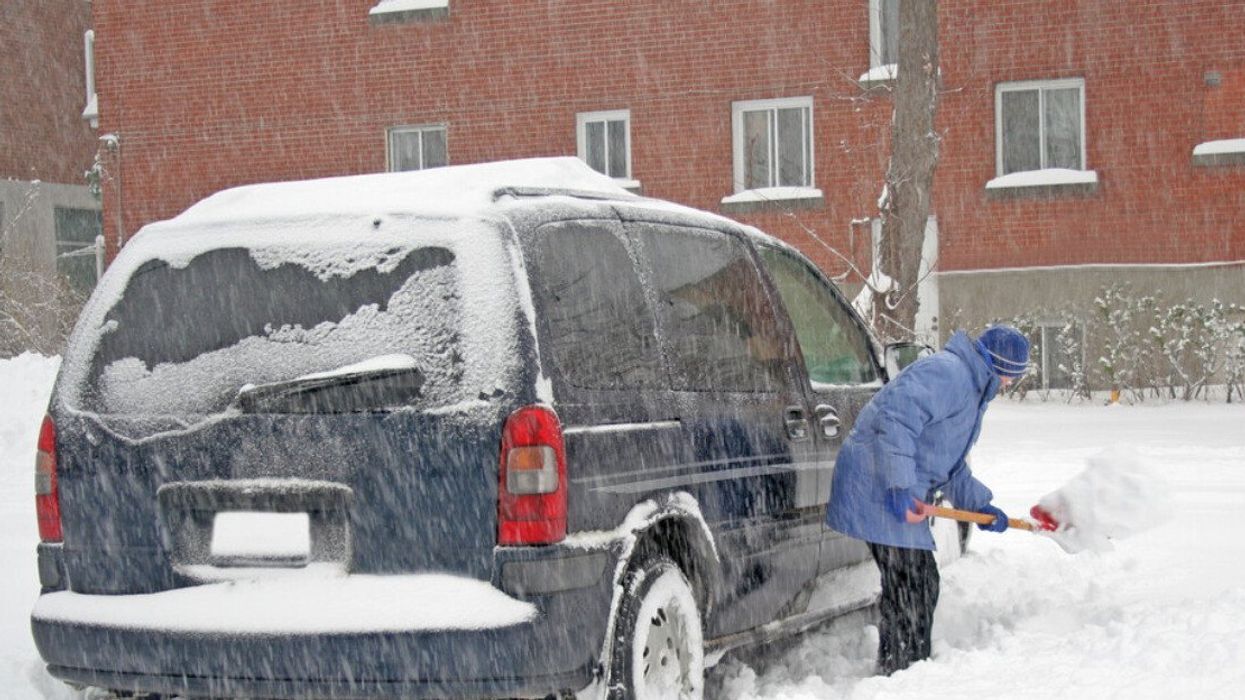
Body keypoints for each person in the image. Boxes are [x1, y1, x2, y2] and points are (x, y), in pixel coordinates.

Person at [825, 325, 1030, 675]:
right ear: (1000, 367)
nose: (1011, 384)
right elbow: (895, 421)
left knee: (912, 584)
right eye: (1013, 376)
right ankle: (904, 673)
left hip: (890, 481)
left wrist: (981, 505)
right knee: (914, 585)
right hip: (877, 482)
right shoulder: (948, 373)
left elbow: (948, 467)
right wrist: (899, 485)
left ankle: (901, 669)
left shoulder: (971, 389)